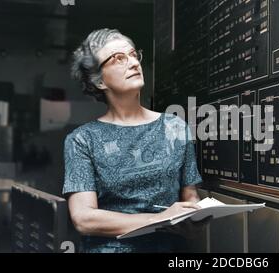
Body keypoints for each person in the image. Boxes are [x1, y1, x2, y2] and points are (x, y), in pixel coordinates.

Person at [63, 28, 203, 253]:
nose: (133, 63)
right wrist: (160, 219)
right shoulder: (82, 140)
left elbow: (190, 195)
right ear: (99, 81)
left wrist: (194, 218)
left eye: (133, 55)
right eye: (119, 58)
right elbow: (84, 219)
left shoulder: (176, 127)